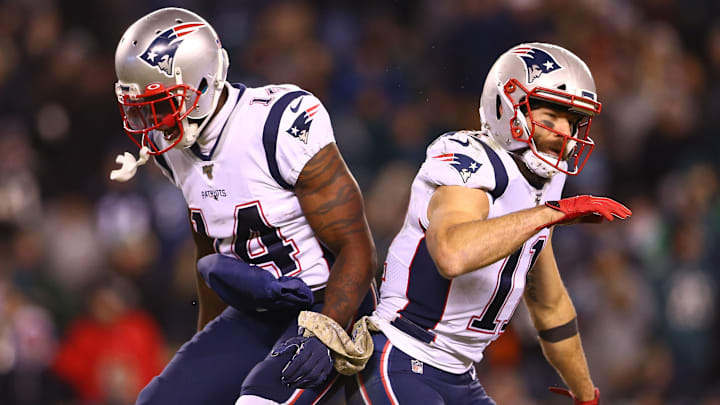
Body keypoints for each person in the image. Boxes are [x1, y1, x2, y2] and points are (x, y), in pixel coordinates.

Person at [110, 7, 378, 405]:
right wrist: (202, 355)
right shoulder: (175, 151)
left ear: (201, 84)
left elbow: (358, 249)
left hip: (327, 301)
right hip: (255, 310)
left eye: (160, 105)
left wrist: (327, 329)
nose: (151, 121)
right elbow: (211, 249)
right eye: (141, 108)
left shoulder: (277, 124)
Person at [347, 43, 631, 405]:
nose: (564, 132)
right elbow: (451, 253)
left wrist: (585, 395)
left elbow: (549, 304)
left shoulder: (545, 182)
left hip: (460, 377)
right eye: (551, 117)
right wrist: (550, 214)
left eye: (574, 121)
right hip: (402, 356)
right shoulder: (470, 158)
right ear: (506, 107)